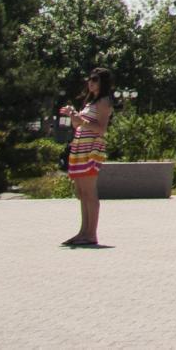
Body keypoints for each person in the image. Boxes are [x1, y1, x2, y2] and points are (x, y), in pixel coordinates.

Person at [59, 68, 116, 249]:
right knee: (81, 192)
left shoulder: (104, 101)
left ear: (103, 82)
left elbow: (101, 128)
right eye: (89, 79)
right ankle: (83, 231)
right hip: (79, 147)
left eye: (95, 80)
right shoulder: (90, 101)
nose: (90, 83)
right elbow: (78, 124)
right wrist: (72, 115)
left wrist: (81, 120)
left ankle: (92, 233)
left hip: (91, 148)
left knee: (90, 192)